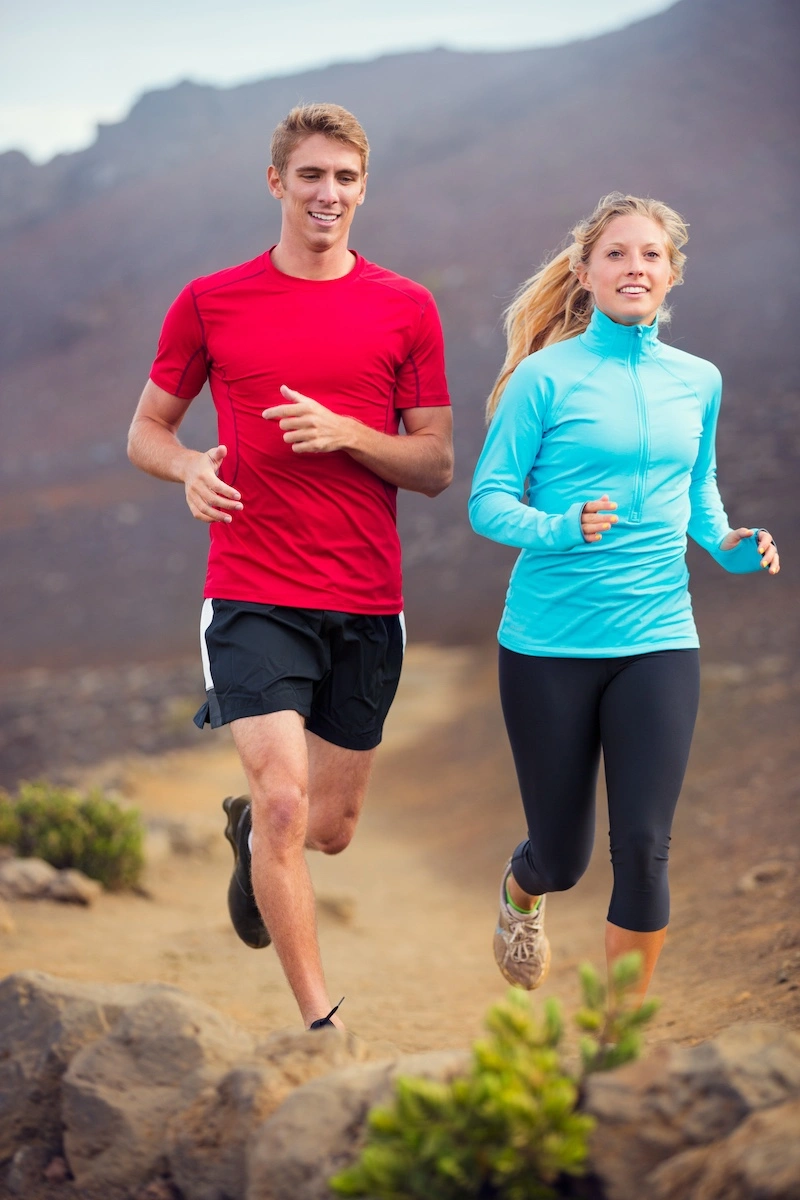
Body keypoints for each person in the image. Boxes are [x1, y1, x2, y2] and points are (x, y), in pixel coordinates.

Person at [127, 103, 453, 1030]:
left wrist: (351, 432)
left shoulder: (406, 306)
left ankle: (249, 836)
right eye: (311, 175)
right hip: (251, 587)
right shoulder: (210, 300)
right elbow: (146, 429)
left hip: (365, 595)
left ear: (364, 187)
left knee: (329, 830)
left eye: (346, 177)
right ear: (278, 183)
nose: (329, 193)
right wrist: (190, 464)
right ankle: (321, 1027)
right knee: (283, 801)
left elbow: (433, 465)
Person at [468, 193, 779, 1003]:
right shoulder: (544, 378)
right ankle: (520, 893)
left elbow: (699, 488)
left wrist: (730, 548)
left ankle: (620, 1053)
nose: (633, 267)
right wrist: (563, 526)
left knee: (643, 845)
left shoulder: (698, 380)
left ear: (671, 274)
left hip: (660, 638)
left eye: (649, 255)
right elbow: (488, 502)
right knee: (563, 858)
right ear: (585, 271)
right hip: (548, 646)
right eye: (616, 253)